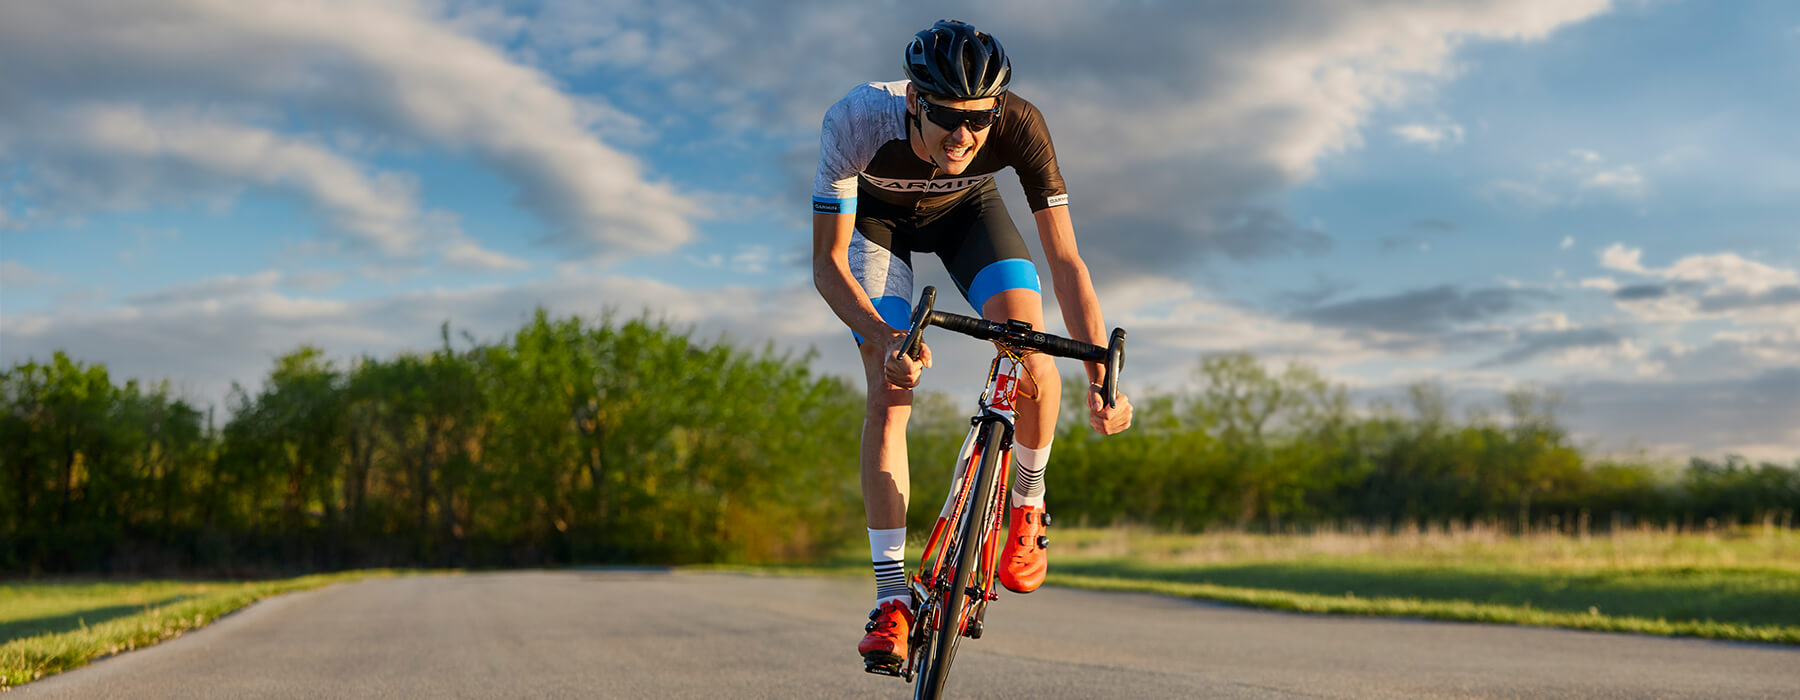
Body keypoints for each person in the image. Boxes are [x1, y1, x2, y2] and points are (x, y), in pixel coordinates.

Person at [810, 19, 1134, 670]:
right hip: (878, 225)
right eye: (945, 117)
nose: (963, 135)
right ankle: (892, 600)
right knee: (889, 381)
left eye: (979, 119)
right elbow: (827, 265)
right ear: (912, 101)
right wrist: (884, 336)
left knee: (1031, 349)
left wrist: (1105, 377)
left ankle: (1028, 504)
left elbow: (1066, 261)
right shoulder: (855, 121)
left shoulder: (1019, 124)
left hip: (967, 217)